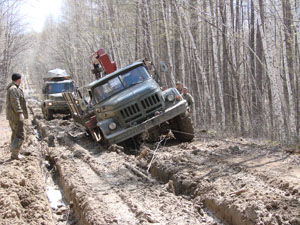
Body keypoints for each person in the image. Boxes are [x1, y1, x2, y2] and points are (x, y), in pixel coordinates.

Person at [6, 73, 28, 160]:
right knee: (20, 135)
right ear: (18, 79)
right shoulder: (13, 89)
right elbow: (15, 102)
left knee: (15, 134)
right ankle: (15, 154)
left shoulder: (14, 88)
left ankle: (14, 152)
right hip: (15, 116)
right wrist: (20, 113)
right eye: (20, 79)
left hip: (13, 116)